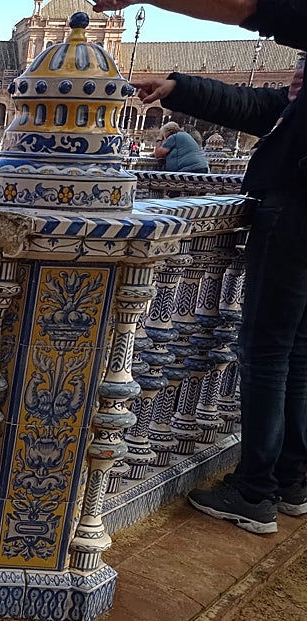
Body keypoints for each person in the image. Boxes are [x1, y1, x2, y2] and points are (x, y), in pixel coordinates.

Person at [92, 0, 307, 534]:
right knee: (298, 350)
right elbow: (273, 109)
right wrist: (180, 87)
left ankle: (255, 490)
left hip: (299, 207)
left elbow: (254, 7)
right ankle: (291, 479)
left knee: (265, 352)